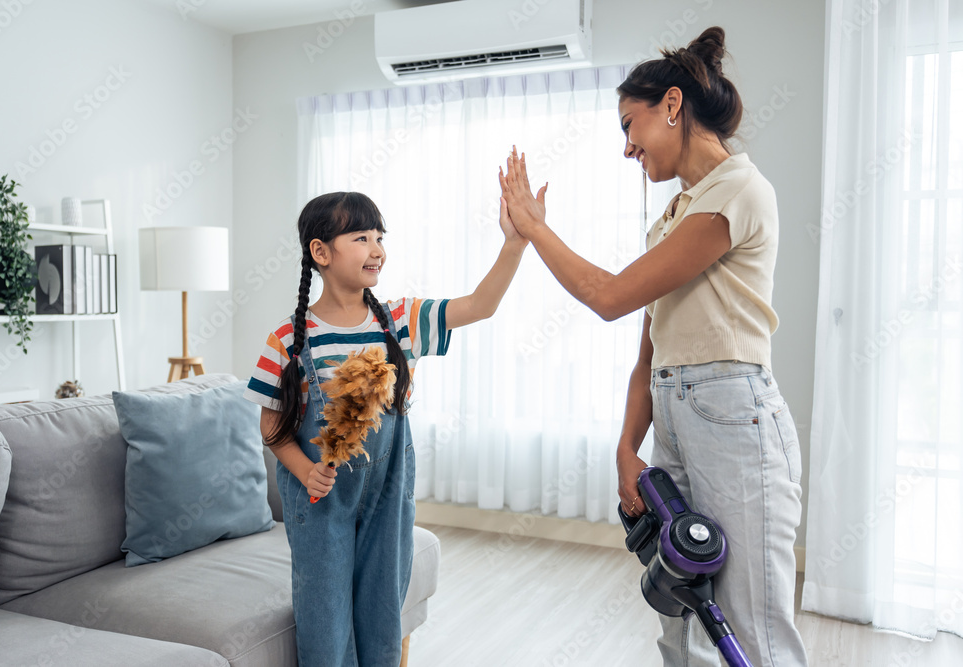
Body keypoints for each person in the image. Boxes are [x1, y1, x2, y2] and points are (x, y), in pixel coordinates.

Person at [500, 26, 808, 667]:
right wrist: (624, 447)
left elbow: (608, 296)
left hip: (734, 417)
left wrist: (533, 228)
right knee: (682, 612)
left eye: (628, 126)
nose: (626, 147)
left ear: (672, 105)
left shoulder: (738, 193)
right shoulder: (671, 217)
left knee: (750, 628)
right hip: (675, 411)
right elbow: (650, 348)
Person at [243, 190, 526, 666]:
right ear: (321, 252)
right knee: (324, 616)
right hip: (320, 499)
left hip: (387, 495)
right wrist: (302, 469)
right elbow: (271, 422)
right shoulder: (289, 338)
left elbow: (480, 304)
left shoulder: (400, 321)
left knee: (381, 610)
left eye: (380, 237)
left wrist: (514, 243)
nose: (377, 249)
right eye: (361, 237)